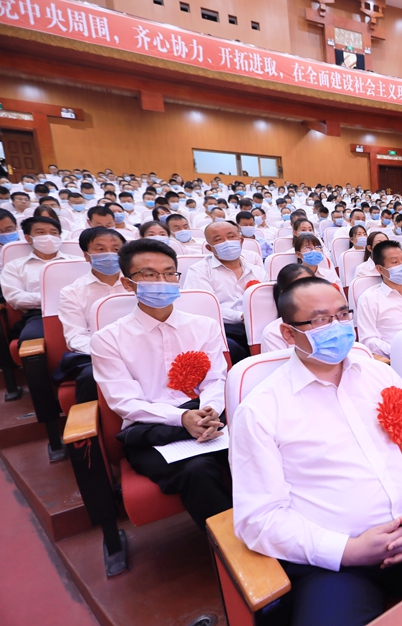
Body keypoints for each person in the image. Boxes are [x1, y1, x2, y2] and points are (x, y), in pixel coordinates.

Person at [230, 277, 402, 626]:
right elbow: (259, 518)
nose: (338, 326)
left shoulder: (381, 376)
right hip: (334, 561)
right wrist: (347, 551)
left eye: (343, 314)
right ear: (288, 334)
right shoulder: (261, 410)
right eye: (320, 319)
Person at [91, 238, 231, 528]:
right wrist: (182, 418)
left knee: (259, 448)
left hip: (208, 417)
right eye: (149, 275)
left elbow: (216, 378)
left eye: (169, 274)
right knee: (198, 471)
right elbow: (125, 402)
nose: (162, 282)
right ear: (128, 283)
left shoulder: (204, 326)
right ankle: (233, 549)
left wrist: (210, 409)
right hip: (152, 429)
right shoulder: (108, 339)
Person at [57, 227, 127, 403]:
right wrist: (111, 352)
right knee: (90, 376)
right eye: (101, 249)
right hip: (99, 353)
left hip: (143, 346)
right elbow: (76, 337)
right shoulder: (72, 292)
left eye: (116, 249)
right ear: (86, 255)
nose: (110, 254)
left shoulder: (138, 284)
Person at [182, 221, 267, 364]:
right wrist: (240, 316)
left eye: (231, 236)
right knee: (231, 346)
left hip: (257, 325)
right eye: (218, 240)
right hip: (223, 327)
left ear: (240, 241)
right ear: (209, 248)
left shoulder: (257, 271)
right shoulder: (199, 271)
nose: (227, 242)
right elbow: (205, 310)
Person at [0, 216, 79, 341]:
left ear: (59, 237)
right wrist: (54, 299)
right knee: (32, 338)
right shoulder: (14, 266)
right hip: (40, 315)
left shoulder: (78, 262)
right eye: (41, 232)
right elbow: (15, 298)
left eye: (53, 233)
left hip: (79, 311)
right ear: (28, 238)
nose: (48, 237)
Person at [260, 264, 317, 353]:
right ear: (285, 294)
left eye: (311, 285)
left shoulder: (332, 320)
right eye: (299, 287)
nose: (308, 291)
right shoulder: (273, 333)